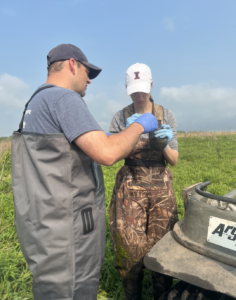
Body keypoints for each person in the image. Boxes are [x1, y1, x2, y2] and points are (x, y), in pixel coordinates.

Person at [11, 45, 159, 300]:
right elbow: (107, 154)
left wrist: (109, 136)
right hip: (69, 231)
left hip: (43, 225)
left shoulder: (35, 102)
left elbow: (63, 147)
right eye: (87, 71)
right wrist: (139, 126)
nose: (89, 80)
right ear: (71, 64)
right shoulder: (64, 98)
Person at [109, 63, 179, 300]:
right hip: (130, 187)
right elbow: (113, 155)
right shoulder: (121, 117)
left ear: (151, 85)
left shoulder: (165, 114)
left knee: (163, 247)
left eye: (143, 90)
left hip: (161, 188)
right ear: (127, 89)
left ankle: (162, 294)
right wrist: (126, 135)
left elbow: (175, 160)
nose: (139, 96)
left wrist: (166, 143)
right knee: (130, 250)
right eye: (133, 91)